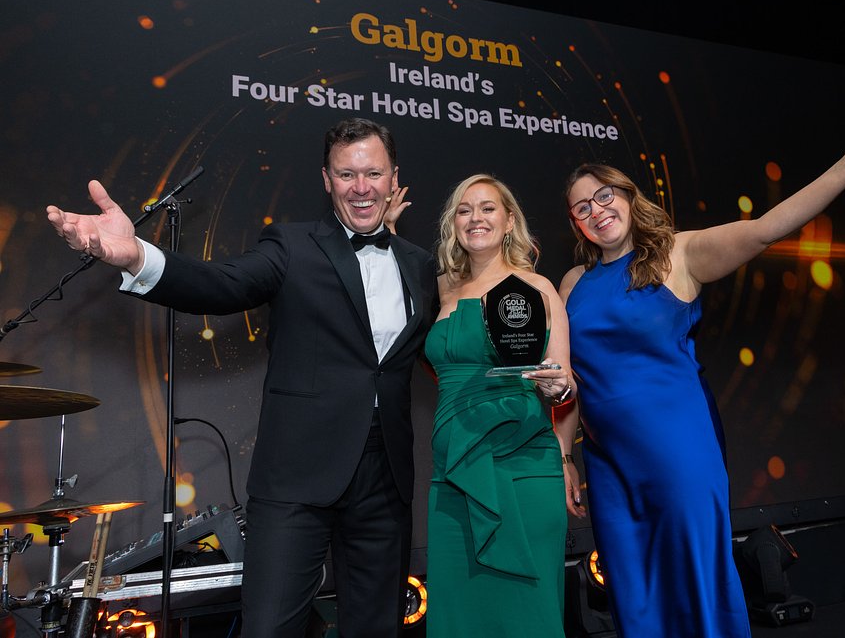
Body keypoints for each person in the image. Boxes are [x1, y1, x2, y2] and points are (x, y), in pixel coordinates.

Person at [46, 117, 438, 637]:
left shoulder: (418, 265)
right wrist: (137, 255)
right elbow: (221, 283)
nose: (361, 187)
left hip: (384, 480)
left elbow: (442, 353)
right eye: (347, 174)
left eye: (373, 173)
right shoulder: (292, 245)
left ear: (394, 179)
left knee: (377, 628)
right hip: (296, 478)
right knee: (269, 627)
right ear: (327, 180)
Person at [555, 125, 845, 637]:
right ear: (575, 223)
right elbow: (569, 380)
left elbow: (767, 228)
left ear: (627, 196)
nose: (597, 210)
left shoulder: (679, 254)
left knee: (694, 574)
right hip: (607, 463)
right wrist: (564, 456)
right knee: (632, 588)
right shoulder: (573, 284)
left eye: (605, 195)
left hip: (677, 448)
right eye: (582, 207)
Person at [422, 174, 583, 636]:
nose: (476, 217)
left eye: (488, 207)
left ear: (510, 221)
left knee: (527, 616)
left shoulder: (537, 288)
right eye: (464, 209)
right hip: (452, 474)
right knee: (459, 617)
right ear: (454, 224)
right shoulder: (441, 288)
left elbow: (565, 384)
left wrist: (558, 388)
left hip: (524, 464)